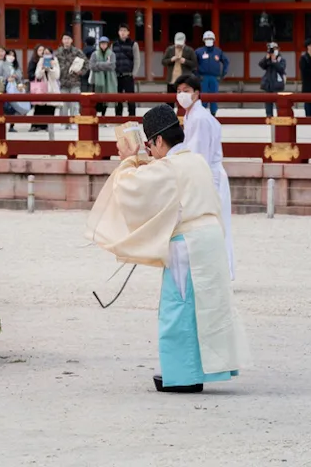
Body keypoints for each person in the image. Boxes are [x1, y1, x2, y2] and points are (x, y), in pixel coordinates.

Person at [85, 104, 248, 393]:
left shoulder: (169, 167)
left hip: (188, 246)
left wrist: (127, 161)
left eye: (150, 145)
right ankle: (199, 369)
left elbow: (130, 189)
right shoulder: (195, 160)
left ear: (158, 140)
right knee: (209, 308)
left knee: (179, 308)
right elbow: (160, 177)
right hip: (210, 240)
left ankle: (183, 375)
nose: (149, 151)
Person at [175, 74, 235, 280]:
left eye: (186, 91)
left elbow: (198, 154)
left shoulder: (200, 118)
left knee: (215, 225)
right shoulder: (191, 115)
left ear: (196, 93)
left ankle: (221, 271)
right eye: (179, 91)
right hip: (204, 172)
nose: (182, 95)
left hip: (210, 175)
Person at [54, 34, 89, 120]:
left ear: (71, 40)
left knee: (75, 103)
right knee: (63, 104)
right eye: (65, 39)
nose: (66, 41)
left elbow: (87, 63)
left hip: (75, 81)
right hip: (62, 81)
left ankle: (75, 121)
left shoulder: (77, 51)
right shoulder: (58, 52)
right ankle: (64, 121)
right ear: (62, 40)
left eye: (68, 39)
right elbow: (53, 65)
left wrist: (81, 72)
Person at [196, 31, 229, 116]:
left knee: (214, 96)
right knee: (203, 96)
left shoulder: (218, 51)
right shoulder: (199, 51)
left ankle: (213, 114)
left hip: (214, 77)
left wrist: (223, 74)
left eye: (210, 38)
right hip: (203, 78)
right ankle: (202, 114)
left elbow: (226, 62)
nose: (209, 40)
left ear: (213, 40)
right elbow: (193, 63)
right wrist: (197, 75)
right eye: (207, 38)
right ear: (204, 40)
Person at [162, 33, 198, 106]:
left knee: (184, 102)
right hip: (172, 80)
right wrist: (171, 60)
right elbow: (163, 62)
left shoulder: (190, 50)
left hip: (184, 80)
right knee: (170, 101)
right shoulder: (170, 49)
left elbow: (195, 64)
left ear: (184, 41)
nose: (178, 45)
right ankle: (169, 116)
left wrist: (185, 61)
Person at [31, 46, 61, 131]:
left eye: (48, 53)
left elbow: (57, 76)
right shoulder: (40, 61)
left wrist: (51, 68)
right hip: (42, 86)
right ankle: (37, 125)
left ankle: (48, 125)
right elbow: (37, 75)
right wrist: (42, 69)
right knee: (40, 106)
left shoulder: (55, 61)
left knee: (51, 107)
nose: (46, 55)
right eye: (45, 53)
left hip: (52, 86)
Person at [113, 24, 140, 117]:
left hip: (128, 74)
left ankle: (132, 116)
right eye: (121, 31)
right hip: (116, 75)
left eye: (125, 30)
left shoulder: (133, 44)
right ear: (118, 32)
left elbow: (137, 59)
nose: (123, 32)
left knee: (130, 97)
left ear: (128, 32)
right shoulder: (114, 44)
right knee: (117, 98)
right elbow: (110, 59)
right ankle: (118, 116)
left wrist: (134, 73)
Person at [89, 36, 118, 116]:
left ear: (107, 44)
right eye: (102, 43)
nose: (103, 45)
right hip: (97, 80)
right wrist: (105, 64)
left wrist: (98, 64)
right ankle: (97, 115)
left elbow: (112, 66)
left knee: (106, 99)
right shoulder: (95, 54)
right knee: (97, 98)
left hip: (108, 79)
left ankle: (103, 115)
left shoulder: (111, 54)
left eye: (105, 43)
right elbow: (92, 66)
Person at [259, 42, 287, 117]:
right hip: (268, 84)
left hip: (277, 84)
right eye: (272, 49)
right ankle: (269, 117)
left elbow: (281, 69)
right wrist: (266, 58)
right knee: (268, 103)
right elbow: (261, 65)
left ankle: (280, 117)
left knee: (279, 103)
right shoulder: (268, 58)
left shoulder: (281, 59)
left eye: (275, 48)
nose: (273, 50)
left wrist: (274, 61)